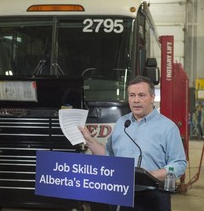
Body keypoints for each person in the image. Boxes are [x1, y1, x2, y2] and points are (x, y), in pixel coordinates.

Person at [79, 75, 187, 211]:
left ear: (152, 97)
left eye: (142, 95)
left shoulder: (168, 128)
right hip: (121, 193)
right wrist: (89, 140)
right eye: (132, 95)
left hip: (153, 195)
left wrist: (151, 175)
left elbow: (179, 163)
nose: (136, 100)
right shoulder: (122, 123)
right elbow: (109, 156)